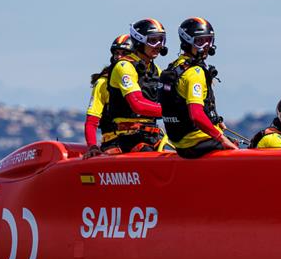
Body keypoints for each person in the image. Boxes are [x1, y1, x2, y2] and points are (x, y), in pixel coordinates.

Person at [159, 17, 238, 159]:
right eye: (200, 41)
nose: (206, 45)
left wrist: (215, 121)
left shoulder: (176, 66)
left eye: (209, 40)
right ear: (187, 41)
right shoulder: (195, 73)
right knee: (235, 147)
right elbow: (196, 115)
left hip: (182, 145)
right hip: (198, 144)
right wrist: (221, 138)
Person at [100, 18, 168, 154]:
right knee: (149, 153)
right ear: (139, 40)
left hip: (152, 136)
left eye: (161, 40)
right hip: (125, 138)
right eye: (153, 40)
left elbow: (170, 101)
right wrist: (174, 111)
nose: (159, 45)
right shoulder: (124, 66)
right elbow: (137, 104)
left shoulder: (158, 71)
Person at [83, 34, 133, 158]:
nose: (119, 57)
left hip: (144, 139)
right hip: (114, 142)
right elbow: (91, 122)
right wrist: (92, 147)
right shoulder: (102, 83)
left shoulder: (146, 78)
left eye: (124, 53)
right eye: (117, 53)